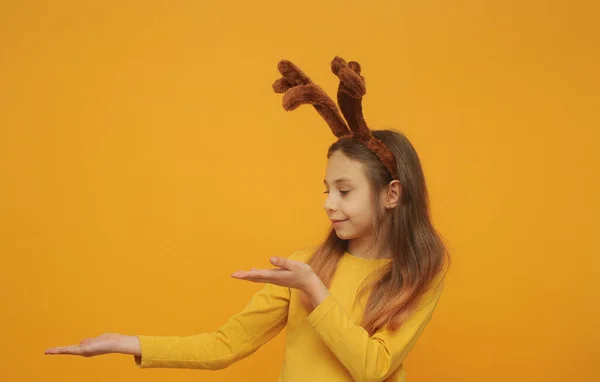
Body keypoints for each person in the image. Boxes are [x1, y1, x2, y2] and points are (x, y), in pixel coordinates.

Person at [45, 57, 449, 381]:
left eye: (344, 191)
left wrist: (315, 292)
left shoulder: (417, 274)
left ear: (391, 194)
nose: (328, 203)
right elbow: (224, 345)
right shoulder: (307, 266)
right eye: (326, 189)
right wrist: (128, 342)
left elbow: (372, 368)